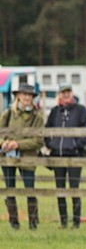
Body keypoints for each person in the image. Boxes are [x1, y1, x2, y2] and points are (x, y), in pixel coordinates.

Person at [45, 83, 86, 228]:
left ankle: (76, 221)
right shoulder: (55, 112)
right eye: (63, 92)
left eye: (68, 92)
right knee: (60, 189)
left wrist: (76, 144)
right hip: (58, 155)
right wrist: (51, 145)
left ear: (72, 94)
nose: (66, 95)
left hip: (74, 155)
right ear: (59, 94)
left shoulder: (80, 110)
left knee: (74, 188)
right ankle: (63, 221)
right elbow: (46, 130)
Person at [1, 83, 44, 230]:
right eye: (24, 94)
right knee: (10, 190)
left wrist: (18, 144)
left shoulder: (37, 117)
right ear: (17, 96)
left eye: (29, 95)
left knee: (30, 190)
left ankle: (33, 224)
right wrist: (4, 143)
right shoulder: (8, 114)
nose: (26, 97)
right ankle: (14, 224)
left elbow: (38, 141)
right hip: (9, 157)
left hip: (28, 157)